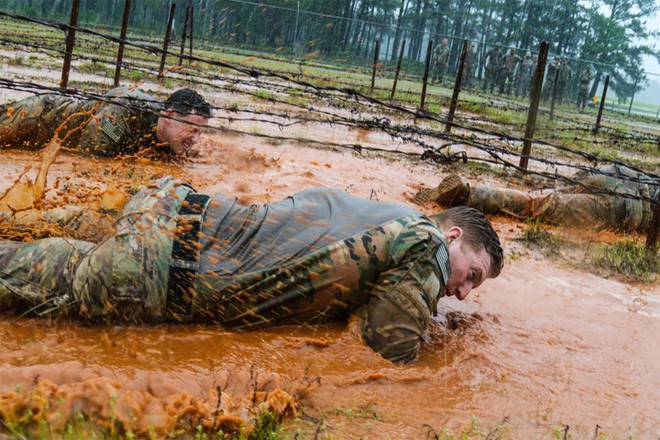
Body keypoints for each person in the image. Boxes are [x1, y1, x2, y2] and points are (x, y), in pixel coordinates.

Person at [0, 178, 504, 364]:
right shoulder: (427, 243)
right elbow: (390, 348)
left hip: (169, 212)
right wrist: (446, 348)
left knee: (32, 253)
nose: (462, 293)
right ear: (453, 237)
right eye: (472, 276)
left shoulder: (386, 219)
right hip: (157, 273)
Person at [413, 166, 658, 233]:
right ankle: (467, 195)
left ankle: (469, 192)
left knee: (545, 195)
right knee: (537, 207)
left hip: (618, 174)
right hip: (622, 207)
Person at [0, 86, 211, 157]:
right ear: (170, 117)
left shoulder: (175, 141)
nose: (195, 139)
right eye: (192, 130)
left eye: (201, 133)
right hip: (40, 116)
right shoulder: (125, 113)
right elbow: (87, 159)